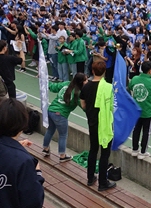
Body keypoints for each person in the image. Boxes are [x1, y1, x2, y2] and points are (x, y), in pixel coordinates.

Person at [80, 60, 116, 191]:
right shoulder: (108, 87)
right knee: (105, 154)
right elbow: (112, 106)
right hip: (105, 123)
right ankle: (103, 183)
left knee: (93, 150)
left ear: (93, 71)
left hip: (92, 123)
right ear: (105, 71)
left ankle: (90, 178)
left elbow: (83, 105)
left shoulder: (85, 87)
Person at [42, 72, 87, 161]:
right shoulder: (78, 93)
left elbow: (52, 87)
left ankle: (45, 149)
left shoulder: (66, 84)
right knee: (63, 135)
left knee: (50, 130)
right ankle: (62, 156)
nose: (87, 81)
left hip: (51, 110)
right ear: (81, 82)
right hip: (60, 115)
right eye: (86, 80)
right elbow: (84, 107)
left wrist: (44, 80)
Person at [128, 61, 151, 158]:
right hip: (147, 111)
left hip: (135, 110)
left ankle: (134, 149)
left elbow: (131, 86)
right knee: (146, 132)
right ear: (149, 71)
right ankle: (143, 152)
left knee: (136, 130)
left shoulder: (135, 78)